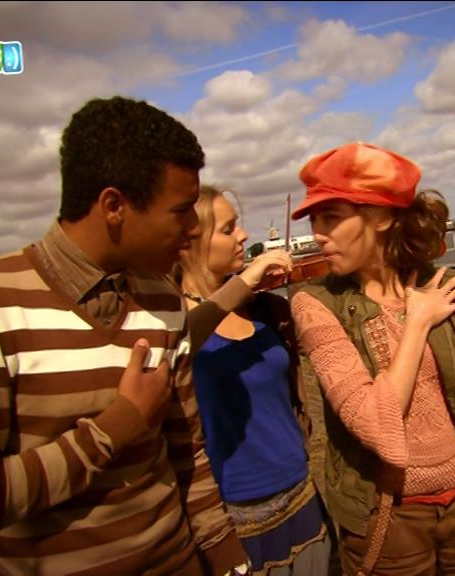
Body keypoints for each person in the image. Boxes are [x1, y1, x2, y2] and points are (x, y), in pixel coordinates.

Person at [0, 96, 290, 575]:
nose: (194, 228)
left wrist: (227, 559)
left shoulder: (161, 298)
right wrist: (117, 427)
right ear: (114, 206)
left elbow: (188, 455)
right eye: (181, 211)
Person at [287, 142, 455, 576]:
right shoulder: (316, 305)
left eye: (331, 217)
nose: (318, 233)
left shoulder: (454, 289)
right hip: (387, 522)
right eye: (314, 220)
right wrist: (416, 324)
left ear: (382, 216)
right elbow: (375, 424)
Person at [176, 185, 331, 575]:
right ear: (187, 243)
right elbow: (179, 342)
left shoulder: (264, 308)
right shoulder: (169, 319)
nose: (244, 236)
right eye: (228, 229)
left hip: (301, 493)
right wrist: (243, 282)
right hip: (232, 518)